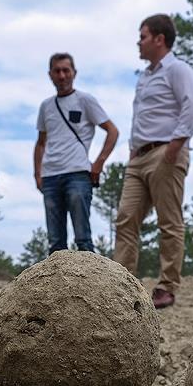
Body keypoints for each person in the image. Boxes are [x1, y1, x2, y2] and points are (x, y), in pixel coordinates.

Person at [113, 14, 193, 309]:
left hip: (166, 152)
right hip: (138, 157)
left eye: (143, 36)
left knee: (169, 221)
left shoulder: (178, 69)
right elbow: (141, 117)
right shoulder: (144, 77)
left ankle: (166, 286)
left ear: (159, 39)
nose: (138, 42)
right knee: (125, 217)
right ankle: (121, 284)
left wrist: (175, 146)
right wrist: (132, 150)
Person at [34, 53, 119, 254]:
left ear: (74, 73)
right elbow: (41, 143)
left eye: (66, 70)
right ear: (50, 75)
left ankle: (91, 275)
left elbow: (112, 131)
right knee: (55, 244)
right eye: (57, 71)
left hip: (78, 173)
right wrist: (37, 174)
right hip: (50, 176)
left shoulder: (85, 100)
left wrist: (98, 163)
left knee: (83, 239)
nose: (62, 76)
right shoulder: (46, 106)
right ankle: (57, 276)